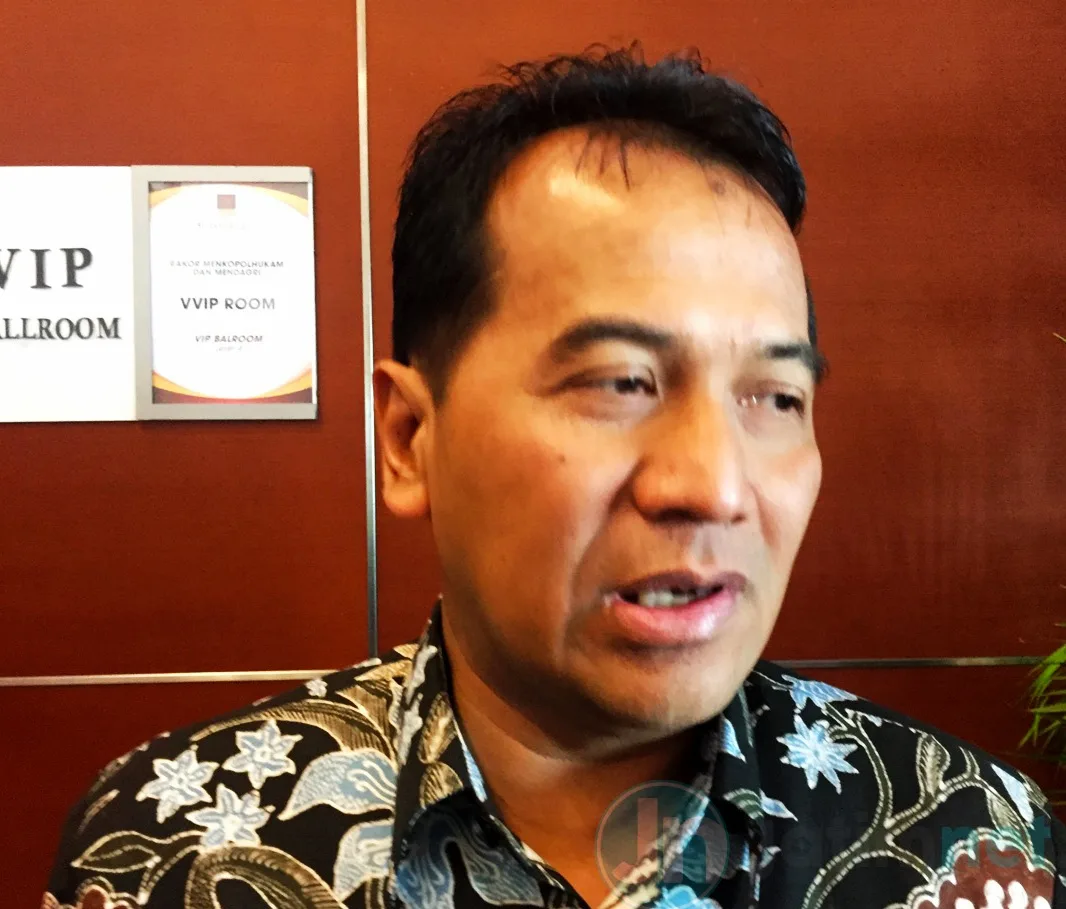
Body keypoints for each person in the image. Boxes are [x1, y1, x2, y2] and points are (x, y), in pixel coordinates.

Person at [44, 46, 1063, 909]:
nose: (713, 485)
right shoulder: (171, 851)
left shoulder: (970, 841)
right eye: (621, 381)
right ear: (408, 437)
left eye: (775, 397)